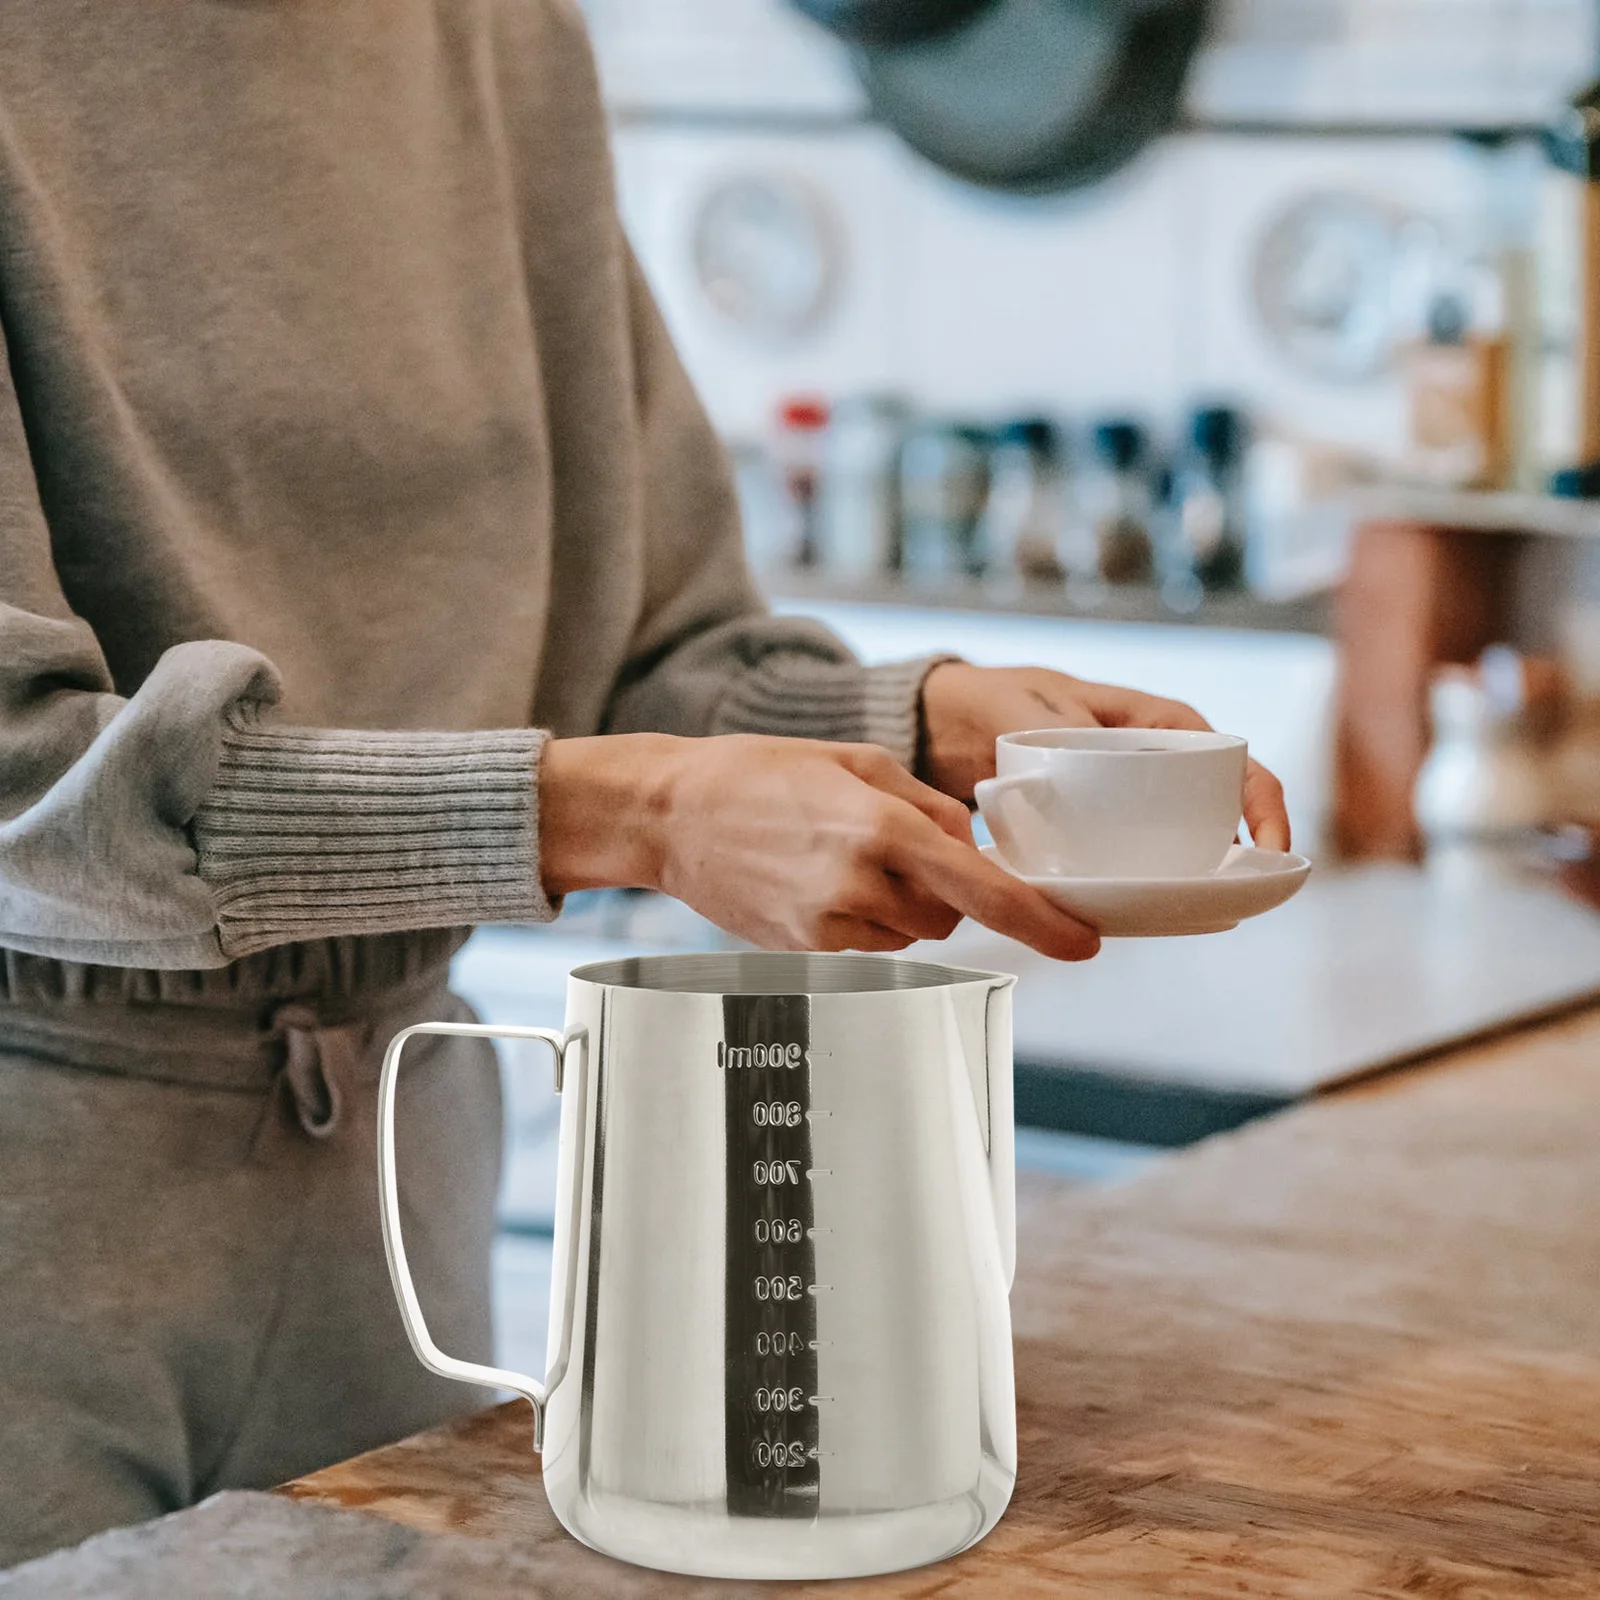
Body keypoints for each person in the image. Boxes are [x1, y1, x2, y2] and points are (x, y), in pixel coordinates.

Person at [0, 1, 1289, 1567]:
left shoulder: (495, 36)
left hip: (391, 1176)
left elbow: (641, 660)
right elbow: (26, 785)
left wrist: (916, 726)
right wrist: (641, 811)